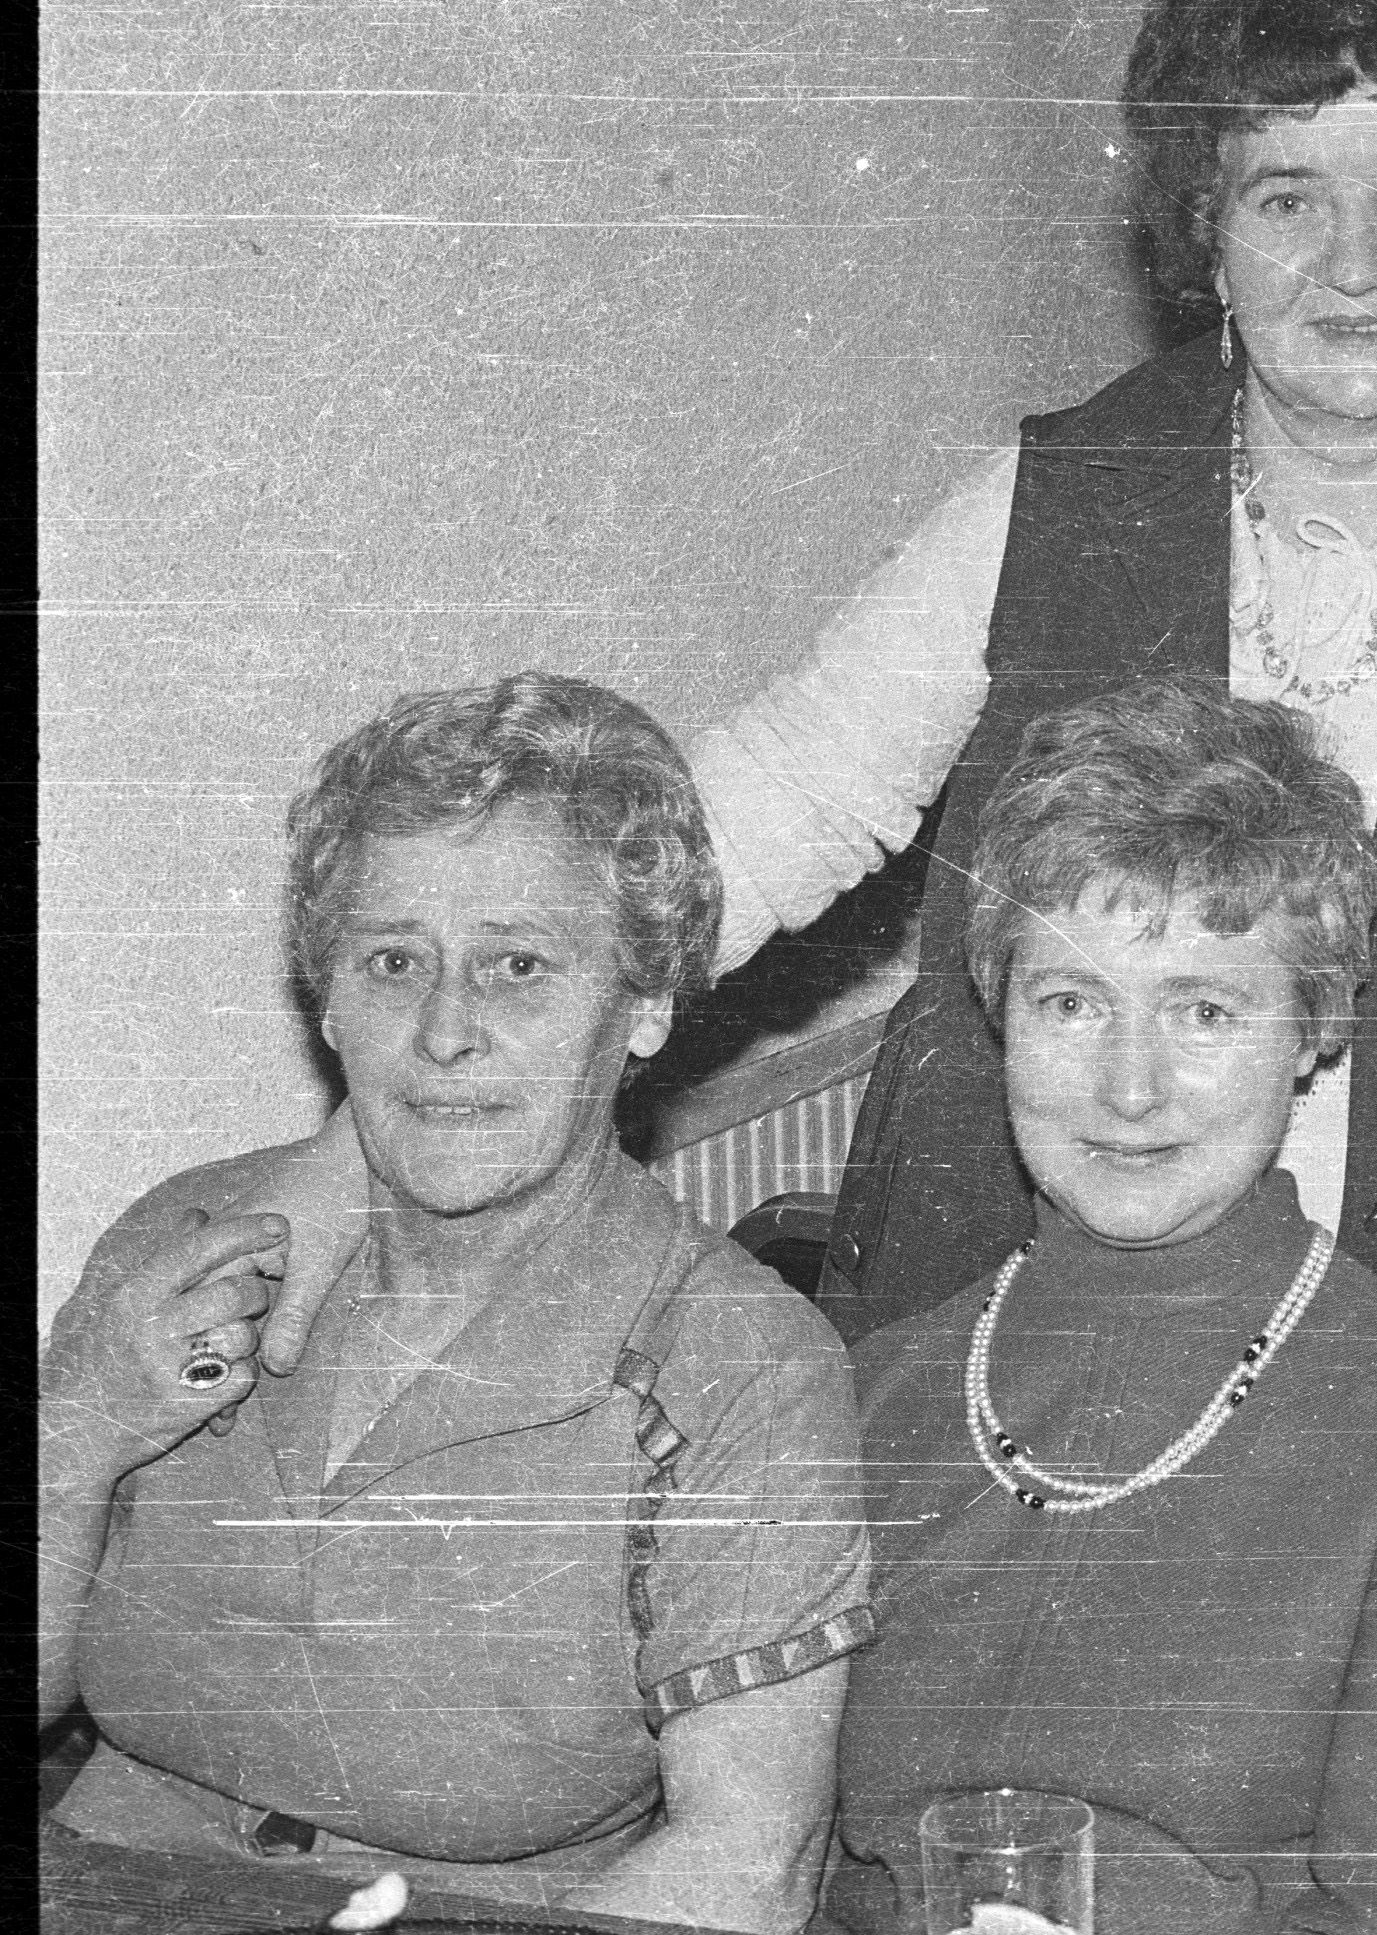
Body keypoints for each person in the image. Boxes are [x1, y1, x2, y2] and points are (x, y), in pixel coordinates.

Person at [611, 0, 1377, 1342]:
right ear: (1210, 232)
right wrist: (519, 1014)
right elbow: (792, 795)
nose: (1356, 263)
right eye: (1288, 196)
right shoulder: (1065, 488)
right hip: (998, 1298)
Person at [38, 673, 871, 1933]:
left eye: (517, 967)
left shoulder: (737, 1367)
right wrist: (84, 1430)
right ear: (326, 996)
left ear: (642, 1005)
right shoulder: (181, 1243)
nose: (443, 1032)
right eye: (392, 962)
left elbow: (751, 1861)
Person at [825, 679, 1377, 1935]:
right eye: (1071, 1001)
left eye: (1204, 1010)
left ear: (1314, 1032)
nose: (1129, 1084)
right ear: (997, 1014)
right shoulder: (865, 1390)